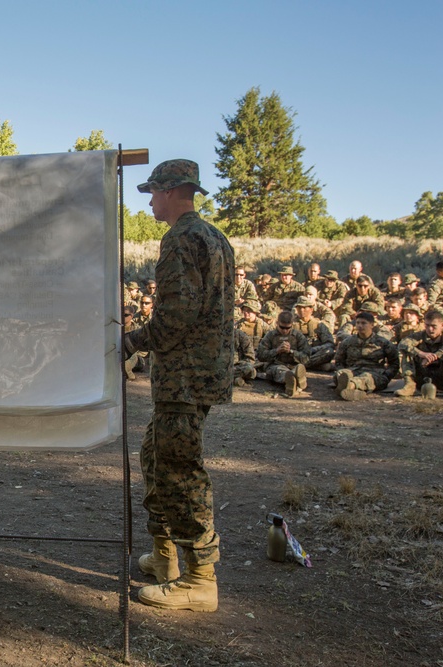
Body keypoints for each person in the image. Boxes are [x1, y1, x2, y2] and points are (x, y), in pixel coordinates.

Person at [122, 160, 233, 612]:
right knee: (156, 455)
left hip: (186, 377)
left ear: (173, 192)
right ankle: (166, 557)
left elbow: (176, 315)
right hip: (195, 373)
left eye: (154, 193)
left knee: (180, 471)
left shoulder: (182, 238)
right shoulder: (213, 237)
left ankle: (199, 580)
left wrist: (131, 340)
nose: (150, 201)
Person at [333, 311, 398, 401]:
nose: (360, 326)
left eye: (364, 323)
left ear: (372, 325)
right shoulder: (348, 341)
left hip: (374, 373)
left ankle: (350, 386)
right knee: (341, 374)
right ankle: (354, 391)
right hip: (353, 370)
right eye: (358, 323)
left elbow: (394, 362)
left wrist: (387, 375)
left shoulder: (382, 342)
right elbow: (339, 361)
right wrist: (341, 370)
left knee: (367, 378)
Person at [257, 311, 310, 397]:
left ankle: (294, 380)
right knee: (280, 371)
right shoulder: (270, 335)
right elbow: (260, 355)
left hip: (294, 365)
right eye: (282, 327)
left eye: (288, 328)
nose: (285, 331)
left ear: (292, 324)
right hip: (276, 365)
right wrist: (276, 351)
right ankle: (292, 380)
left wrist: (291, 352)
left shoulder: (298, 336)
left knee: (296, 369)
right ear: (277, 323)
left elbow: (306, 358)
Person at [394, 309, 443, 396]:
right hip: (423, 373)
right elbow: (402, 344)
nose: (430, 329)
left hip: (441, 374)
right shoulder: (420, 335)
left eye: (433, 326)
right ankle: (410, 386)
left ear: (442, 325)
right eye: (427, 325)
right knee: (407, 353)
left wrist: (435, 356)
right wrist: (421, 353)